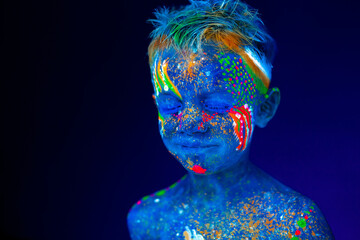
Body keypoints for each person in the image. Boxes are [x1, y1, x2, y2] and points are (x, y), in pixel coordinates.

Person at [127, 0, 334, 239]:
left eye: (216, 105)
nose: (190, 123)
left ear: (265, 108)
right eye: (171, 106)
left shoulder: (294, 223)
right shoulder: (147, 219)